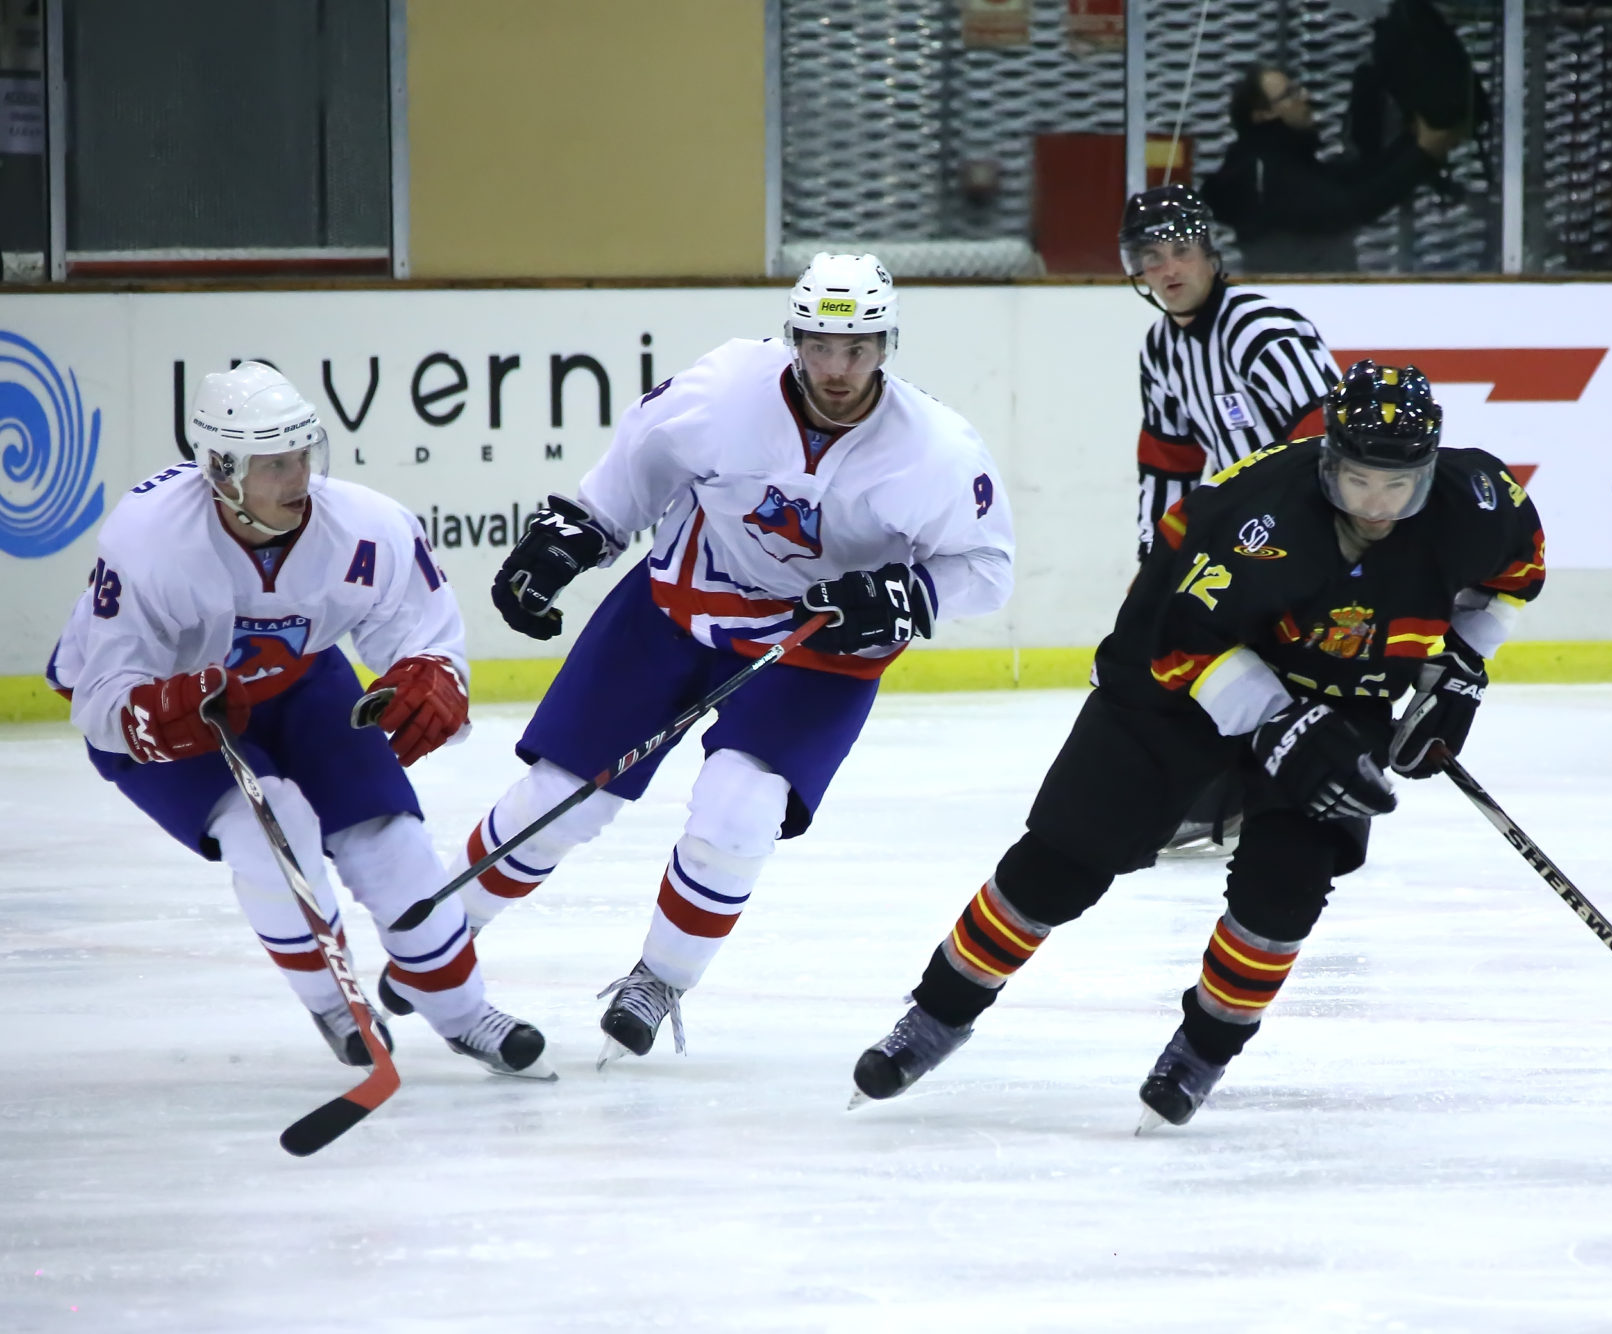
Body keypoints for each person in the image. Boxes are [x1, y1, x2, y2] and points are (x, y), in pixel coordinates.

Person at [850, 361, 1546, 1129]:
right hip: (1174, 683)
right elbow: (1178, 638)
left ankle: (1202, 1052)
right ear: (1327, 461)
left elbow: (1518, 573)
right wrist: (1276, 720)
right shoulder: (1255, 515)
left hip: (1342, 690)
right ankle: (934, 1019)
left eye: (1398, 486)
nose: (1378, 506)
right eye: (1357, 482)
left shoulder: (1477, 500)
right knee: (1062, 861)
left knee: (1284, 895)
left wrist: (1462, 667)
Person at [470, 252, 1015, 1067]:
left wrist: (910, 594)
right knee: (564, 795)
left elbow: (987, 569)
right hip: (678, 603)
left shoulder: (936, 449)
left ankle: (658, 981)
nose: (836, 370)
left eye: (858, 348)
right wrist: (570, 539)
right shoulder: (725, 388)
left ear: (887, 345)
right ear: (792, 337)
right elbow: (632, 476)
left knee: (742, 806)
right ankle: (442, 938)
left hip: (817, 642)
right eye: (819, 346)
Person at [47, 363, 553, 1080]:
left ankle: (468, 1017)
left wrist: (435, 678)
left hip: (302, 680)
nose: (297, 478)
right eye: (275, 463)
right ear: (222, 470)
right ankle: (338, 1006)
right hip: (181, 707)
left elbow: (427, 638)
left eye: (303, 455)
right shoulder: (149, 541)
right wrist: (154, 713)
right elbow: (100, 695)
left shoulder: (369, 527)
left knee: (390, 840)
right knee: (267, 824)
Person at [1121, 182, 1341, 853]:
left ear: (1212, 252)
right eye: (1150, 256)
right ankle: (1218, 785)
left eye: (1181, 250)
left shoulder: (1261, 330)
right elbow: (1168, 462)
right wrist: (1154, 558)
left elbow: (1326, 440)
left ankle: (1269, 782)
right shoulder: (1161, 349)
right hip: (1242, 530)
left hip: (1308, 530)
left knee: (1240, 646)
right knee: (1173, 631)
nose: (1168, 270)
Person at [1201, 64, 1462, 274]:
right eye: (1290, 94)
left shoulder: (1287, 161)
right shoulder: (1263, 171)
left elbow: (1353, 180)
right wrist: (1423, 154)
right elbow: (1348, 207)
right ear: (1263, 115)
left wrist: (1414, 145)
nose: (1304, 96)